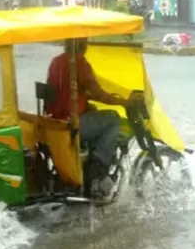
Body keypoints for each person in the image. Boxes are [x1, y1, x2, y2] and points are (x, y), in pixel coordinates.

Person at [44, 38, 131, 195]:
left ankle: (88, 162)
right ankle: (97, 168)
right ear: (83, 46)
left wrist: (88, 101)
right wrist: (124, 103)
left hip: (54, 121)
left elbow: (70, 92)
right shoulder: (80, 64)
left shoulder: (56, 62)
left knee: (96, 113)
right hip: (70, 123)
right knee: (113, 119)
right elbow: (98, 93)